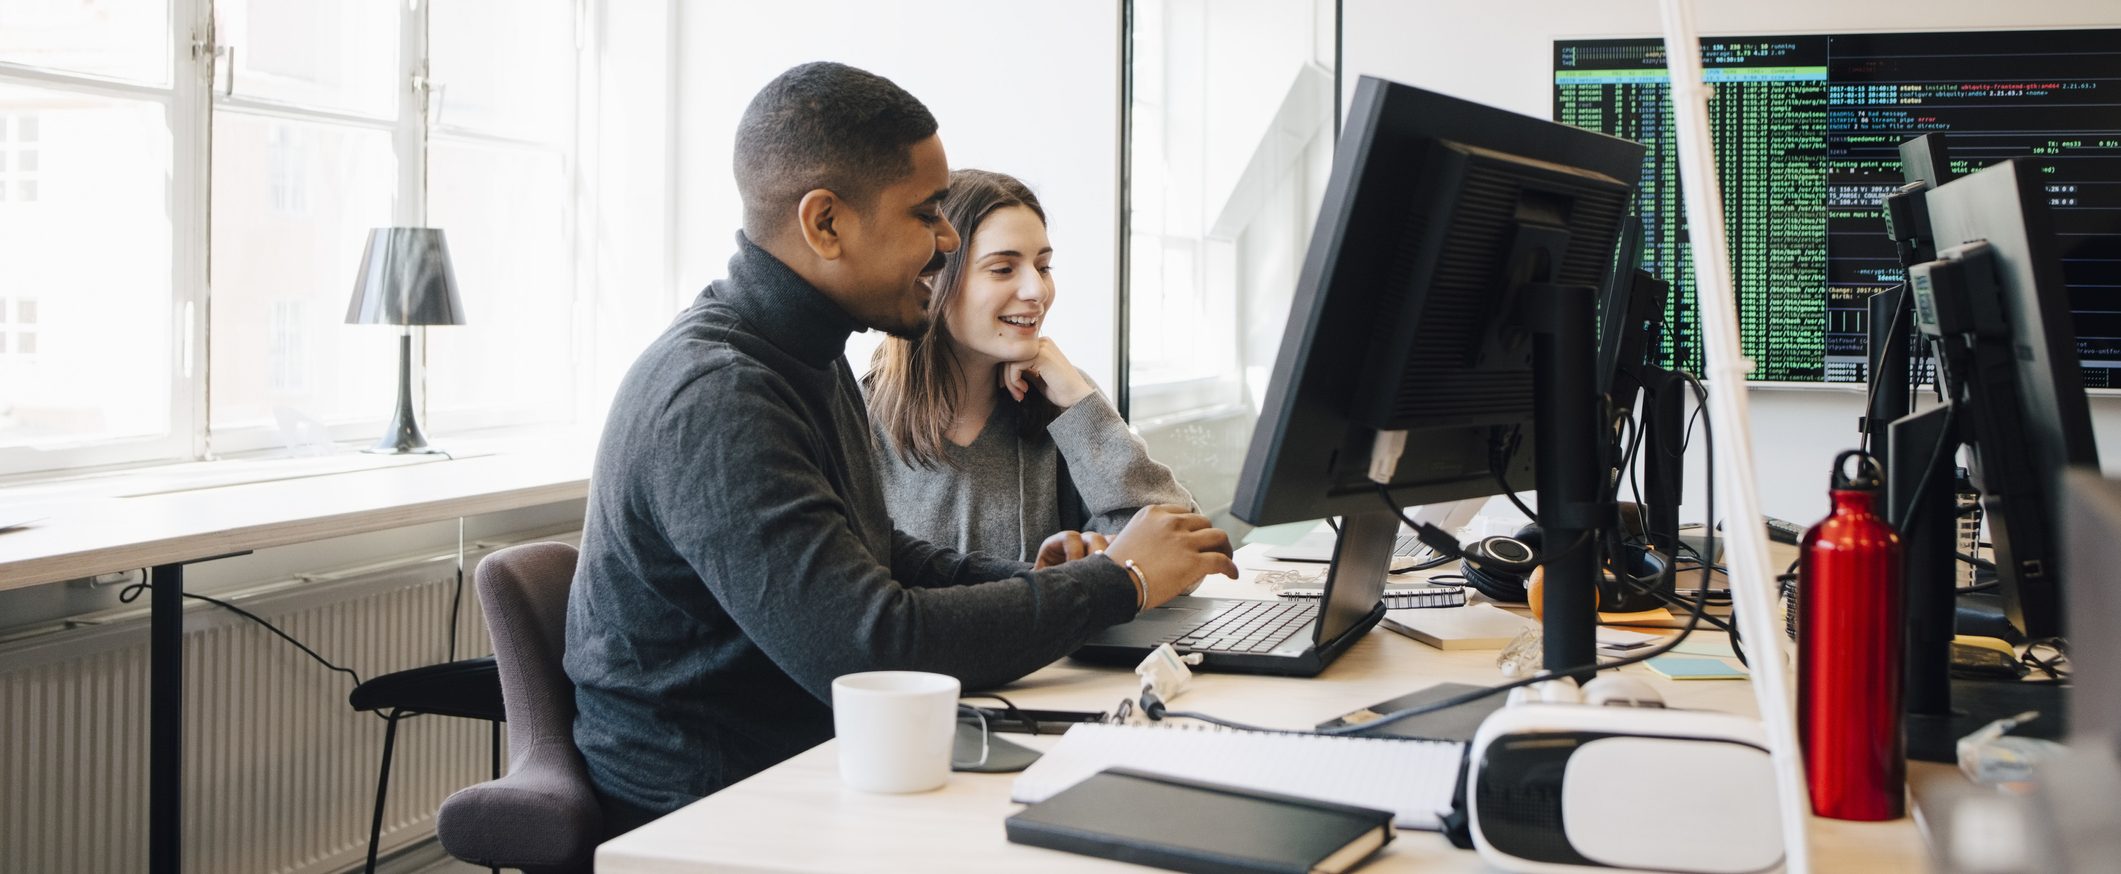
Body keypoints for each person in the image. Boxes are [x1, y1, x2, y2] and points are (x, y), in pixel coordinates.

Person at [564, 61, 1239, 836]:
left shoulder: (801, 356)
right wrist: (1115, 582)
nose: (946, 238)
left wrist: (1040, 578)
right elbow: (871, 646)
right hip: (716, 808)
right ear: (825, 224)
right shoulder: (719, 396)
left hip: (819, 757)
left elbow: (877, 551)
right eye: (926, 214)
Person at [865, 169, 1193, 562]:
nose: (1037, 290)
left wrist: (1079, 402)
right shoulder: (858, 417)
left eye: (1043, 267)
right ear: (930, 278)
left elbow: (1183, 550)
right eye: (1003, 268)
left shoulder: (1064, 399)